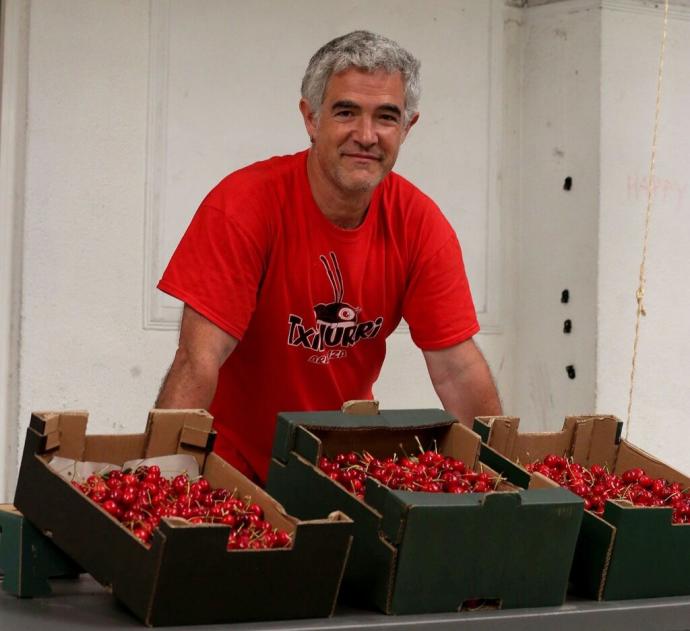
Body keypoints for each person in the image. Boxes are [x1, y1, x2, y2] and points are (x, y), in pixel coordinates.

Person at [156, 30, 502, 483]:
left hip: (338, 471)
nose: (366, 135)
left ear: (407, 127)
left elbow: (457, 369)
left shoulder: (419, 225)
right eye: (346, 112)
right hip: (228, 468)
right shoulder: (243, 208)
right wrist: (162, 478)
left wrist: (505, 478)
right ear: (311, 117)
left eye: (385, 117)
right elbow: (197, 360)